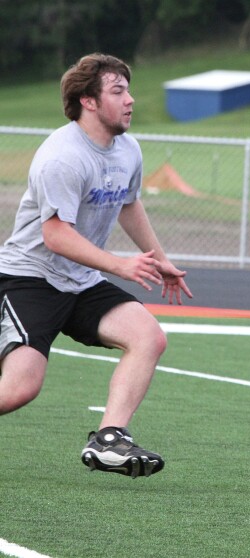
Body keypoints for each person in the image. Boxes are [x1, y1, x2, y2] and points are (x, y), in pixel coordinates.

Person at [0, 53, 193, 478]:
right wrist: (120, 266)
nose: (130, 100)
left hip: (81, 279)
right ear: (88, 101)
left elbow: (129, 203)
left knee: (148, 336)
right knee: (18, 389)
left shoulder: (128, 148)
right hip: (29, 278)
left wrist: (159, 260)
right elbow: (56, 235)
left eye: (129, 90)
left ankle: (109, 438)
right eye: (118, 91)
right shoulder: (62, 157)